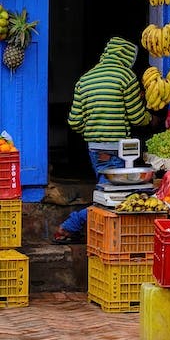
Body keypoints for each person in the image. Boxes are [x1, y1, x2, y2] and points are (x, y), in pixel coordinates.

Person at [54, 36, 152, 243]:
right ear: (128, 57)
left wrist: (93, 129)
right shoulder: (126, 77)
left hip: (95, 149)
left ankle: (100, 235)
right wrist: (151, 118)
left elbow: (75, 121)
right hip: (118, 149)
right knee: (109, 198)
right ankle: (72, 225)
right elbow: (136, 116)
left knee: (108, 193)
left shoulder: (86, 79)